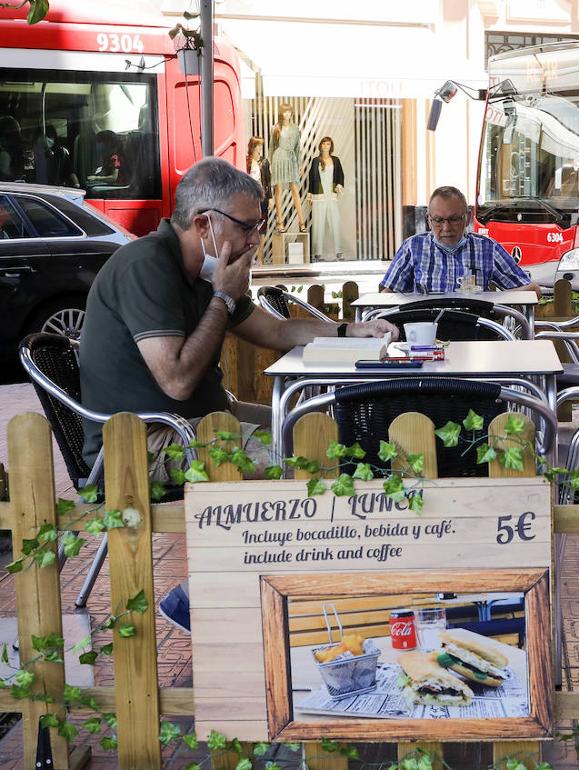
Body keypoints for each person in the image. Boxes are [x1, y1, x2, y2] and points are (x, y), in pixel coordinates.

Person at [78, 158, 397, 630]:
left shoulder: (205, 269)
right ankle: (209, 597)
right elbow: (177, 380)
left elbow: (275, 329)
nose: (254, 240)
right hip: (143, 444)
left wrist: (350, 330)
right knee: (307, 458)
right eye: (247, 227)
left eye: (259, 227)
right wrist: (223, 299)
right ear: (203, 223)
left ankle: (263, 587)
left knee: (313, 433)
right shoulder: (147, 266)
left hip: (200, 424)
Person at [380, 186, 540, 294]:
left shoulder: (487, 249)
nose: (446, 227)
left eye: (454, 219)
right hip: (425, 334)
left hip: (475, 333)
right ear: (428, 219)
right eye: (438, 220)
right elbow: (387, 294)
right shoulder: (413, 247)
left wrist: (494, 303)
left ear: (468, 217)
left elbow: (532, 290)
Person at [307, 136, 345, 260]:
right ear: (320, 146)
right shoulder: (315, 161)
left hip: (332, 195)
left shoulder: (336, 160)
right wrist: (310, 195)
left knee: (336, 223)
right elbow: (311, 179)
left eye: (328, 144)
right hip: (319, 196)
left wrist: (339, 185)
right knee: (318, 224)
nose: (325, 146)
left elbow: (340, 175)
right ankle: (318, 253)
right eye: (323, 144)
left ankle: (339, 251)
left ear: (330, 146)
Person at [269, 103, 306, 233]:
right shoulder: (276, 128)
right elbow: (271, 147)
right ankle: (280, 222)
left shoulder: (296, 128)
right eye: (285, 112)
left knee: (295, 190)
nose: (287, 114)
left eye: (289, 112)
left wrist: (300, 164)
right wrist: (270, 165)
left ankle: (302, 222)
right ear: (281, 113)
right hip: (279, 159)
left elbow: (298, 149)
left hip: (291, 160)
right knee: (278, 191)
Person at [245, 136, 272, 220]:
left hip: (262, 194)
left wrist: (270, 198)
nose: (260, 148)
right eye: (258, 145)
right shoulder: (246, 161)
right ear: (253, 146)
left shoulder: (264, 162)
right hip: (249, 195)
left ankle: (263, 233)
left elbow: (268, 181)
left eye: (261, 145)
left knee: (263, 219)